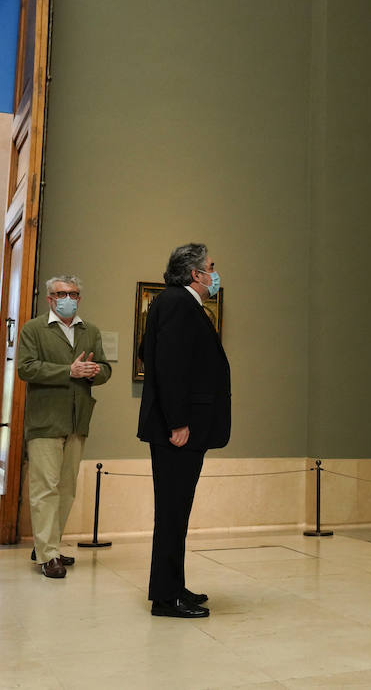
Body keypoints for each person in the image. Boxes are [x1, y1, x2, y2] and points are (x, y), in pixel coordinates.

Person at [138, 244, 231, 618]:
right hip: (179, 431)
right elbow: (171, 365)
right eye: (211, 267)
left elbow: (148, 352)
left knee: (177, 512)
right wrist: (177, 421)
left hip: (182, 427)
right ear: (196, 274)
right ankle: (165, 597)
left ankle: (174, 586)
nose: (215, 272)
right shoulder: (179, 303)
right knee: (173, 513)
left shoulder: (174, 302)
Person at [16, 274, 111, 578]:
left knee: (67, 488)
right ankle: (47, 555)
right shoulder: (33, 329)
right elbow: (25, 368)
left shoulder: (90, 330)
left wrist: (95, 372)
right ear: (50, 299)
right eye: (61, 294)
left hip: (77, 420)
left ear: (79, 298)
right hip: (45, 420)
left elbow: (106, 369)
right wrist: (68, 371)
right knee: (44, 488)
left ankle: (49, 545)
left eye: (73, 293)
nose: (67, 298)